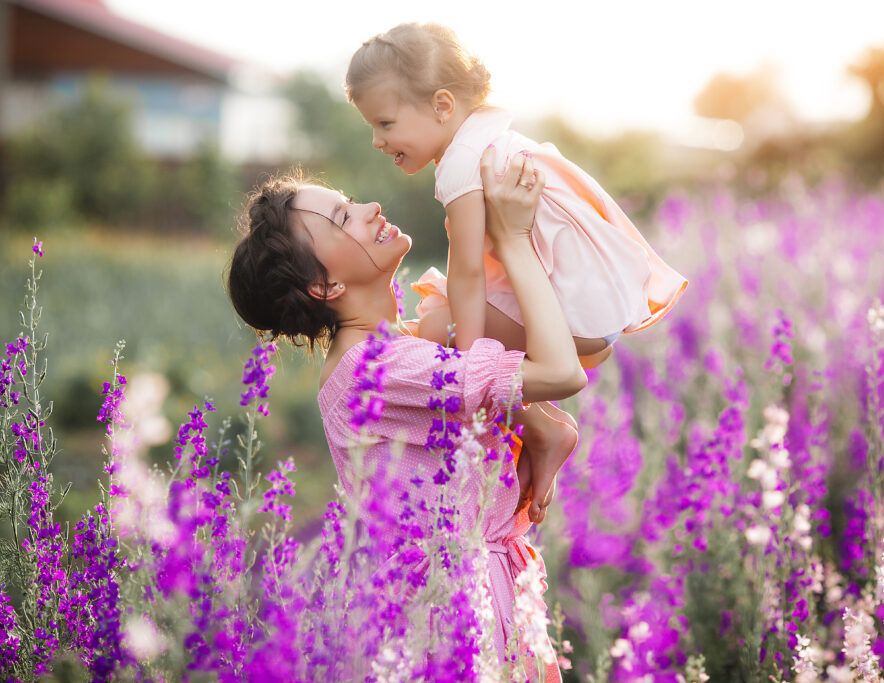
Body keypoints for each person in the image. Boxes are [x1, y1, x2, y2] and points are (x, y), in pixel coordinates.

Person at [227, 150, 579, 680]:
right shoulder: (383, 368)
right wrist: (515, 239)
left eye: (347, 202)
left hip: (466, 601)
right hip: (454, 622)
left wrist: (542, 424)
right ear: (325, 288)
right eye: (345, 218)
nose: (369, 207)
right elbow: (562, 371)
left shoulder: (398, 349)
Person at [346, 22, 689, 523]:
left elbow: (465, 271)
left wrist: (467, 366)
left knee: (438, 328)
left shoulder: (461, 162)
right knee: (440, 322)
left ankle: (545, 427)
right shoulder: (491, 134)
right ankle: (543, 425)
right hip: (586, 314)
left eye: (386, 123)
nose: (377, 141)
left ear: (443, 106)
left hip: (571, 324)